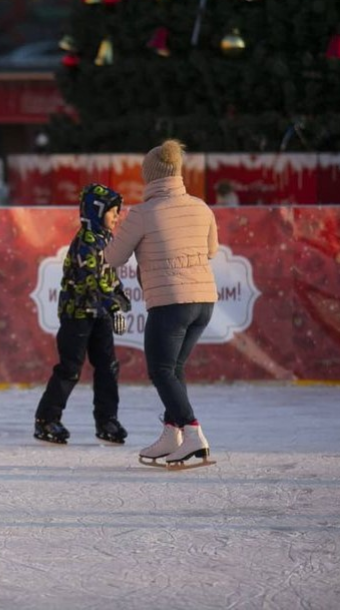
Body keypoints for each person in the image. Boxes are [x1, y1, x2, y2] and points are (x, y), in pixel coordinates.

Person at [104, 140, 219, 469]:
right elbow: (211, 250)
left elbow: (113, 257)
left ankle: (193, 433)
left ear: (149, 177)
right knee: (175, 368)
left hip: (170, 302)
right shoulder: (201, 207)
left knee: (161, 369)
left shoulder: (142, 214)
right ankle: (173, 434)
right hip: (204, 302)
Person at [34, 183, 131, 445]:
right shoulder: (86, 242)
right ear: (96, 212)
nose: (117, 217)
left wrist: (119, 296)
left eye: (118, 212)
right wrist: (112, 304)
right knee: (70, 369)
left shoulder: (106, 239)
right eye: (112, 212)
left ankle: (107, 419)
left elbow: (109, 276)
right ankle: (47, 419)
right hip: (77, 313)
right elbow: (91, 281)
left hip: (99, 314)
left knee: (108, 367)